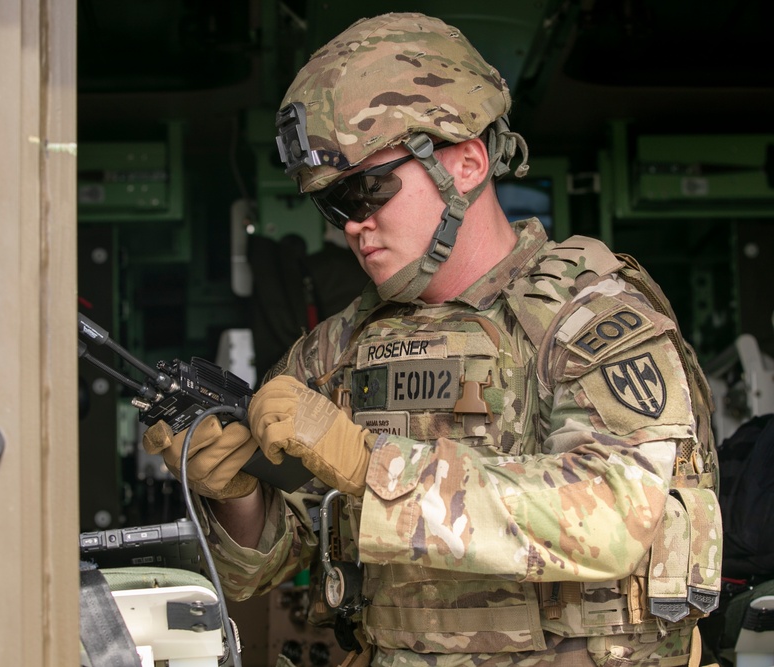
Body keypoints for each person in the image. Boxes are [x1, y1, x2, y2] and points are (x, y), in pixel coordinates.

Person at [144, 12, 721, 667]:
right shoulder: (343, 348)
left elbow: (616, 517)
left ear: (467, 163)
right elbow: (268, 561)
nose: (352, 226)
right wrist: (235, 490)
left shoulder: (588, 314)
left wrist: (371, 467)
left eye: (367, 189)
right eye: (334, 205)